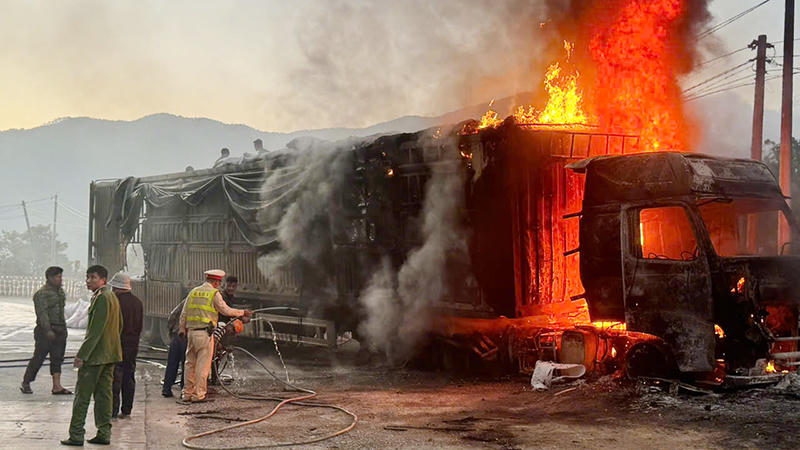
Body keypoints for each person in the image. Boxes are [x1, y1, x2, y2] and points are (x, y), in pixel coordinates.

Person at [61, 265, 122, 446]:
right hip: (110, 355)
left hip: (95, 357)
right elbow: (119, 326)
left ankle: (76, 434)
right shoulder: (112, 297)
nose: (89, 281)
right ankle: (104, 433)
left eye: (93, 277)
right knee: (104, 397)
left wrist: (82, 355)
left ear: (103, 280)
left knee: (82, 396)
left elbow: (95, 331)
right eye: (87, 277)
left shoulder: (101, 298)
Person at [179, 269, 252, 403]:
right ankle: (198, 395)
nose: (219, 285)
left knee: (189, 364)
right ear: (216, 282)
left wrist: (182, 329)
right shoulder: (214, 293)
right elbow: (225, 310)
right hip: (204, 334)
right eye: (219, 283)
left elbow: (184, 313)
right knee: (202, 366)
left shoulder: (193, 291)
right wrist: (243, 312)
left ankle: (186, 394)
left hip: (191, 333)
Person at [21, 266, 71, 395]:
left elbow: (61, 312)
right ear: (50, 278)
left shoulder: (60, 292)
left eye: (61, 276)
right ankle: (26, 382)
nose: (61, 279)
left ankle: (57, 386)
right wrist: (48, 330)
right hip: (45, 331)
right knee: (39, 357)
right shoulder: (41, 294)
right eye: (58, 277)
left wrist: (63, 329)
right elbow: (42, 314)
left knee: (57, 358)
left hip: (60, 329)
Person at [109, 272, 143, 419]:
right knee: (129, 376)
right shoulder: (138, 302)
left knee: (115, 377)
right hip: (132, 345)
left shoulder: (115, 302)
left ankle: (113, 410)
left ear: (117, 288)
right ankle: (127, 409)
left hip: (117, 344)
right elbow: (139, 326)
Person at [162, 296, 187, 397]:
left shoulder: (185, 301)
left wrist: (171, 332)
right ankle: (184, 390)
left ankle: (166, 389)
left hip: (177, 335)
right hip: (187, 336)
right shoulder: (200, 302)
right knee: (187, 364)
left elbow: (173, 315)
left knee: (172, 363)